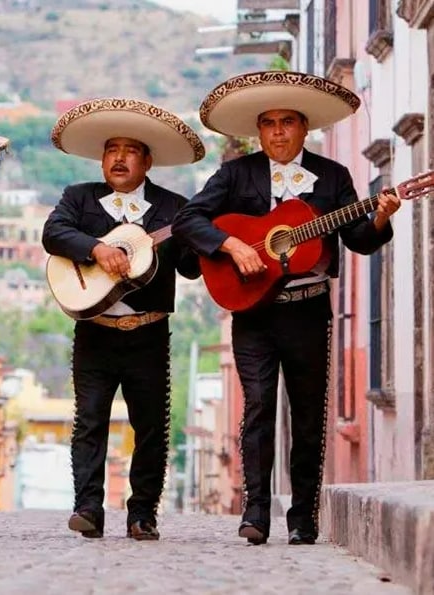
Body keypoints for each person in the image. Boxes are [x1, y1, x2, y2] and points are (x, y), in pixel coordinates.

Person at [173, 71, 400, 545]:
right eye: (269, 123)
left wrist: (379, 216)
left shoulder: (333, 177)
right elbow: (188, 220)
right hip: (252, 310)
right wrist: (233, 245)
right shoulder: (237, 174)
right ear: (259, 131)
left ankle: (303, 519)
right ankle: (255, 514)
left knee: (309, 414)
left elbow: (358, 239)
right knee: (257, 407)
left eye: (288, 122)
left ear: (304, 128)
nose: (278, 132)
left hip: (308, 310)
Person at [42, 98, 205, 540]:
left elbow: (190, 267)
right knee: (89, 420)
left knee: (151, 426)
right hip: (94, 330)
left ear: (147, 160)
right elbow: (53, 233)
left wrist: (205, 237)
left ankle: (142, 514)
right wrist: (97, 249)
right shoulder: (79, 198)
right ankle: (88, 509)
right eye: (111, 149)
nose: (118, 158)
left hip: (149, 332)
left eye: (130, 150)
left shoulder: (175, 208)